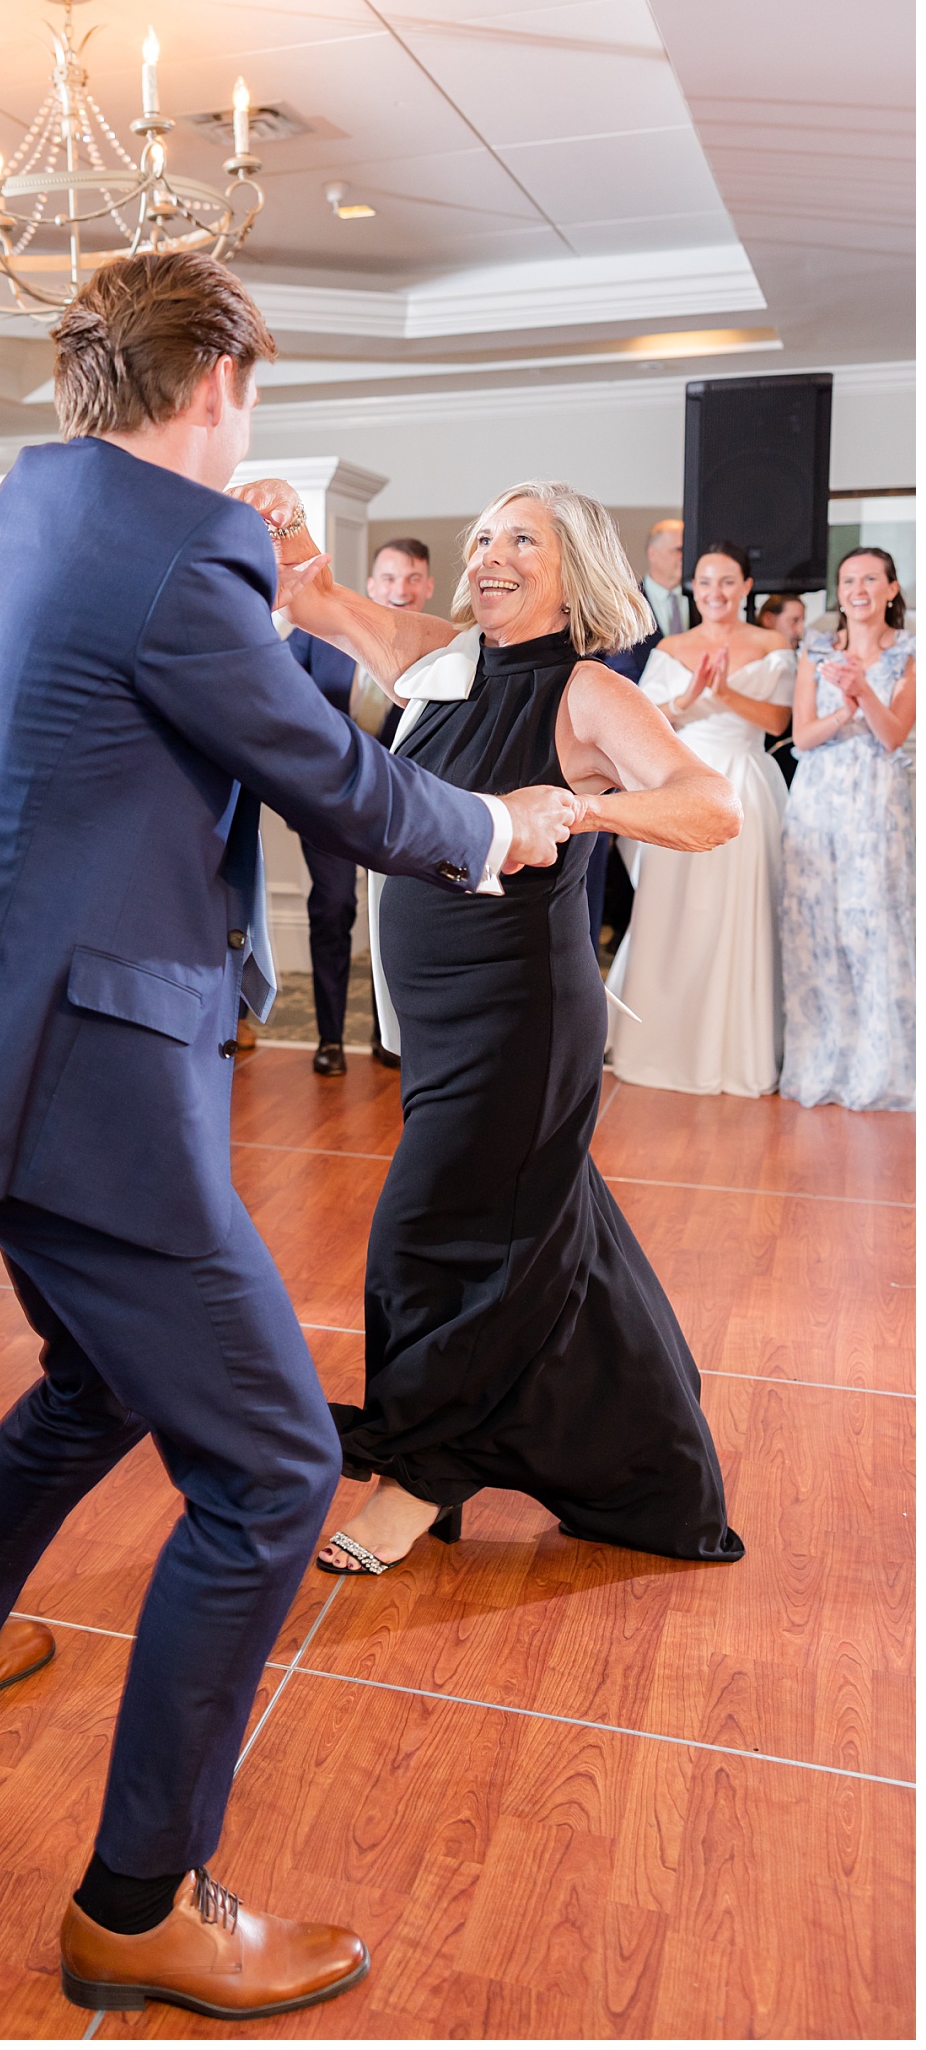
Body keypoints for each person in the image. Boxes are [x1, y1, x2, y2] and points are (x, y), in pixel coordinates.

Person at [0, 248, 578, 2021]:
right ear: (217, 385)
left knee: (99, 1375)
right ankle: (137, 1901)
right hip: (77, 1078)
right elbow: (327, 780)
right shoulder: (187, 549)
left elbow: (190, 734)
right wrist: (500, 827)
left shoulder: (26, 513)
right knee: (262, 1473)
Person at [272, 479, 743, 1577]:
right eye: (480, 534)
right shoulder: (439, 660)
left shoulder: (583, 691)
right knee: (537, 1236)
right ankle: (649, 1464)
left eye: (518, 539)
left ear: (571, 567)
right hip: (435, 1020)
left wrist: (580, 806)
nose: (488, 552)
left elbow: (707, 804)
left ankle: (421, 1469)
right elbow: (310, 597)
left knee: (424, 1235)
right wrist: (283, 521)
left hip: (520, 1015)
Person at [607, 544, 795, 1097]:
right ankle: (664, 1040)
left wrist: (726, 690)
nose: (715, 592)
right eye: (705, 582)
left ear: (746, 586)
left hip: (746, 781)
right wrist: (688, 696)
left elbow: (778, 720)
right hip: (684, 781)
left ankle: (739, 1047)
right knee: (676, 908)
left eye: (727, 582)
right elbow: (642, 721)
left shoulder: (772, 645)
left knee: (742, 907)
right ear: (695, 588)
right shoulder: (672, 648)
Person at [283, 540, 432, 1073]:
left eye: (412, 579)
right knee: (334, 907)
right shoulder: (314, 635)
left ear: (428, 587)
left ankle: (385, 1035)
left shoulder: (440, 649)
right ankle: (329, 1039)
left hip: (400, 806)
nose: (400, 589)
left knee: (393, 917)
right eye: (390, 578)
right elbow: (276, 698)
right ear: (371, 585)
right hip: (326, 800)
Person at [781, 548, 915, 1111]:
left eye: (869, 579)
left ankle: (882, 1068)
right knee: (818, 928)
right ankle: (822, 1063)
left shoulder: (910, 652)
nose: (858, 589)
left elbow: (893, 735)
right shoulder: (815, 649)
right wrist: (842, 710)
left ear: (890, 589)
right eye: (848, 580)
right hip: (818, 799)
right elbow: (802, 735)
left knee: (875, 925)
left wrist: (862, 691)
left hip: (878, 801)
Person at [589, 515, 698, 943]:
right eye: (677, 550)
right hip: (634, 743)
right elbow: (615, 674)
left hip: (696, 746)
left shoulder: (703, 602)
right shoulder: (622, 604)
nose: (685, 560)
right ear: (653, 554)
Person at [756, 592, 808, 784]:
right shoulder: (756, 665)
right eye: (794, 621)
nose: (800, 631)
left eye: (802, 622)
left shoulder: (803, 659)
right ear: (768, 619)